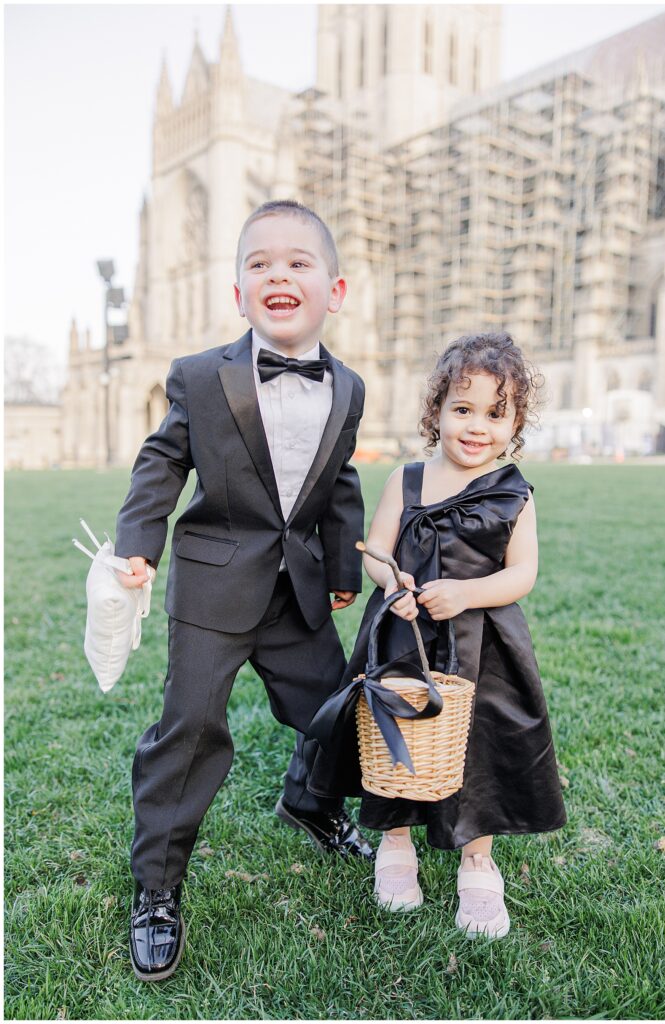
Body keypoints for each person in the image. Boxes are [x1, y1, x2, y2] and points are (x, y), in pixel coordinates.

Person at [115, 200, 372, 981]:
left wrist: (341, 569)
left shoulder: (350, 387)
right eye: (260, 263)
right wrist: (138, 546)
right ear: (237, 293)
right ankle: (158, 887)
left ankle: (310, 801)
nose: (278, 275)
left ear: (336, 288)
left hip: (296, 590)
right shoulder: (201, 376)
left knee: (334, 711)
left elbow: (340, 479)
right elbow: (160, 463)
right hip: (214, 587)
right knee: (190, 730)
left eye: (298, 262)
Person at [309, 333, 567, 938]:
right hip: (405, 634)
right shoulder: (409, 479)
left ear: (516, 424)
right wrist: (392, 580)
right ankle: (395, 843)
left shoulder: (515, 493)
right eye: (463, 409)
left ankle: (478, 860)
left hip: (483, 642)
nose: (477, 427)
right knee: (396, 734)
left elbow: (522, 573)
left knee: (476, 744)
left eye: (495, 414)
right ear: (438, 412)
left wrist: (467, 593)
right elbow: (375, 553)